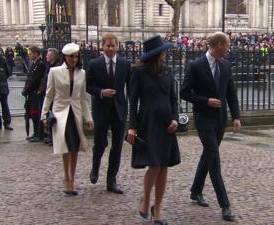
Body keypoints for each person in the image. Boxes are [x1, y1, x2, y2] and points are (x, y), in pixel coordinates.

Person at [180, 32, 242, 222]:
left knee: (208, 155)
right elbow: (184, 92)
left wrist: (236, 117)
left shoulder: (225, 65)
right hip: (204, 119)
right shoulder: (196, 66)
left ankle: (195, 191)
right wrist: (206, 101)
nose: (229, 49)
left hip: (220, 120)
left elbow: (231, 92)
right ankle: (225, 205)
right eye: (227, 45)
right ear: (219, 45)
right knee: (214, 159)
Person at [126, 35, 180, 225]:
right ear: (156, 53)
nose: (166, 52)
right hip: (148, 123)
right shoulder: (138, 72)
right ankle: (146, 198)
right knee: (154, 165)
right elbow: (133, 102)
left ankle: (157, 207)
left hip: (167, 124)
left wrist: (175, 118)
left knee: (164, 165)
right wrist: (132, 127)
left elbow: (174, 98)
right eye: (163, 50)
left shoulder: (168, 70)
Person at [41, 43, 93, 195]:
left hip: (75, 113)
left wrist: (88, 117)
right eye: (71, 57)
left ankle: (73, 177)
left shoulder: (81, 73)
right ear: (65, 57)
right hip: (60, 113)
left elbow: (83, 98)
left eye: (76, 56)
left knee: (74, 146)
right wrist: (44, 114)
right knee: (65, 145)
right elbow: (49, 95)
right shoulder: (55, 72)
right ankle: (66, 176)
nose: (74, 59)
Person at [86, 33, 131, 194]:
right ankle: (95, 166)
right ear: (102, 46)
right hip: (101, 110)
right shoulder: (94, 64)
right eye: (108, 46)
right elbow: (88, 86)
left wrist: (133, 112)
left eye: (113, 46)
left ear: (117, 46)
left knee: (117, 147)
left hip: (119, 110)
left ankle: (111, 180)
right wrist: (101, 92)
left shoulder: (125, 64)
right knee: (100, 143)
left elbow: (131, 88)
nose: (111, 49)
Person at [22, 46, 46, 142]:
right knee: (32, 114)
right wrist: (25, 88)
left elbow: (35, 80)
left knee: (36, 114)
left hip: (35, 93)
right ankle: (35, 132)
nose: (29, 55)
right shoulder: (34, 64)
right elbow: (29, 78)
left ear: (36, 53)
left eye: (31, 53)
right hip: (31, 93)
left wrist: (27, 89)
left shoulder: (40, 64)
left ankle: (39, 134)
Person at [40, 48, 62, 146]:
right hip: (48, 94)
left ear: (53, 56)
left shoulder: (56, 67)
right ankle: (50, 137)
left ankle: (54, 138)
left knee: (54, 118)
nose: (46, 57)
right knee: (50, 117)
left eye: (48, 55)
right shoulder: (49, 66)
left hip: (55, 96)